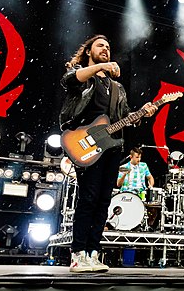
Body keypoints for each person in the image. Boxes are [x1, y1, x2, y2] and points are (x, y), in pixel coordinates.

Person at [60, 34, 157, 272]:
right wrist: (100, 66)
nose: (106, 48)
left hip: (111, 147)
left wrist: (142, 113)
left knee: (103, 201)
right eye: (100, 45)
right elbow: (69, 80)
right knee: (88, 199)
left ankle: (93, 253)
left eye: (108, 46)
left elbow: (123, 118)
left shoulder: (117, 88)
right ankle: (77, 254)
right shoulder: (82, 75)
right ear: (89, 51)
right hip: (85, 143)